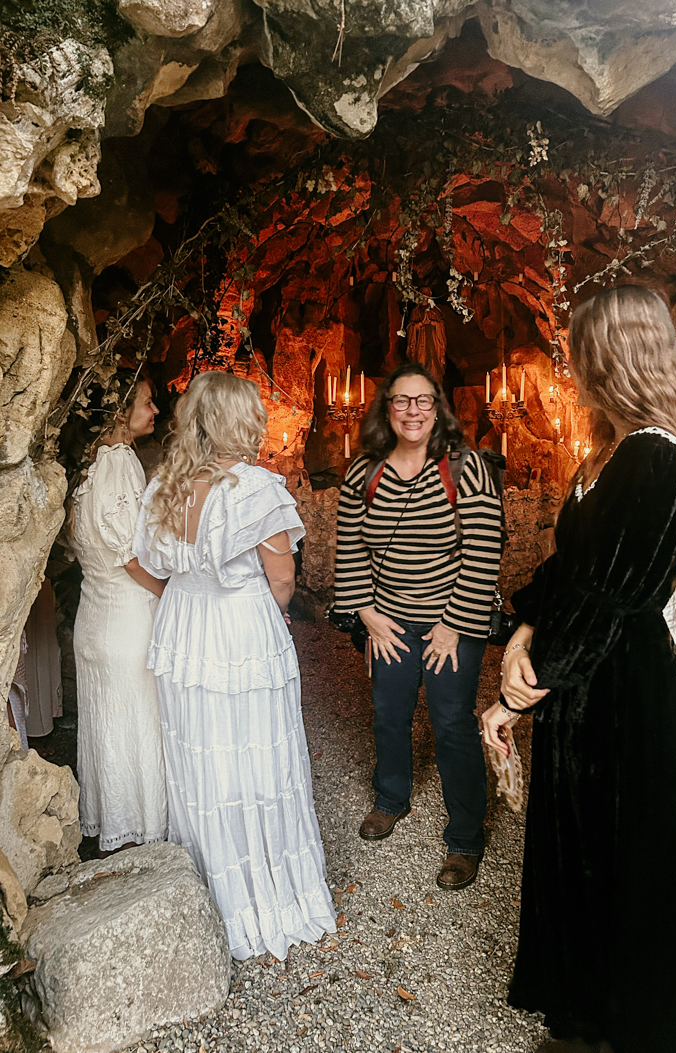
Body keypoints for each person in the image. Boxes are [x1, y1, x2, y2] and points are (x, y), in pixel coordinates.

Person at [482, 285, 676, 1053]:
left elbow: (613, 595)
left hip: (625, 693)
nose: (571, 368)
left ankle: (636, 1027)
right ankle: (591, 1017)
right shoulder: (611, 451)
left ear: (616, 357)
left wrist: (524, 689)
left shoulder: (656, 456)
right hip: (591, 686)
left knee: (626, 854)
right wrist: (522, 631)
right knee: (588, 851)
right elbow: (572, 570)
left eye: (581, 352)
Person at [133, 370, 335, 961]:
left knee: (200, 754)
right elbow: (282, 580)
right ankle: (264, 892)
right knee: (256, 752)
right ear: (238, 422)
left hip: (183, 628)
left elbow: (150, 566)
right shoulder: (258, 490)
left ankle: (210, 893)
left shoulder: (164, 485)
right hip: (239, 629)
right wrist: (267, 616)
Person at [334, 362, 503, 891]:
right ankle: (390, 798)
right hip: (388, 619)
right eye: (402, 400)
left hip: (451, 619)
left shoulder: (466, 469)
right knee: (388, 712)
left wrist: (453, 624)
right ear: (387, 408)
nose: (413, 411)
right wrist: (367, 613)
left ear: (438, 408)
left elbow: (484, 551)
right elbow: (350, 547)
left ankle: (465, 837)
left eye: (423, 400)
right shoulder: (363, 474)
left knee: (451, 722)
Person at [71, 371, 168, 853]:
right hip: (128, 620)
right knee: (135, 725)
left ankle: (112, 824)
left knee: (107, 727)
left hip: (93, 617)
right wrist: (173, 594)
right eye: (147, 402)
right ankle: (142, 831)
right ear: (118, 411)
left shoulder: (87, 468)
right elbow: (131, 557)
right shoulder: (120, 462)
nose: (155, 411)